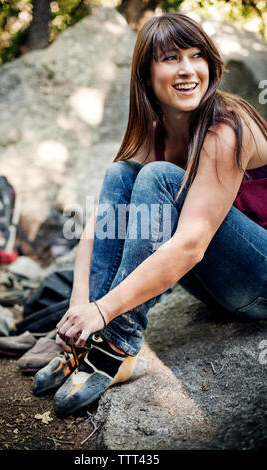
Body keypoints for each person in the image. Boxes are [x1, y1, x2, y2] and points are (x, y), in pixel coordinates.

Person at [33, 12, 267, 418]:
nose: (188, 69)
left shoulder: (226, 127)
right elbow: (102, 218)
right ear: (146, 73)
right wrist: (80, 304)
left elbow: (192, 245)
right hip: (218, 287)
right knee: (121, 173)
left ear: (212, 65)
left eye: (197, 56)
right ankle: (94, 341)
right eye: (171, 58)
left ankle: (119, 343)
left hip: (258, 281)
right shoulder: (156, 129)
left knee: (158, 177)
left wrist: (105, 310)